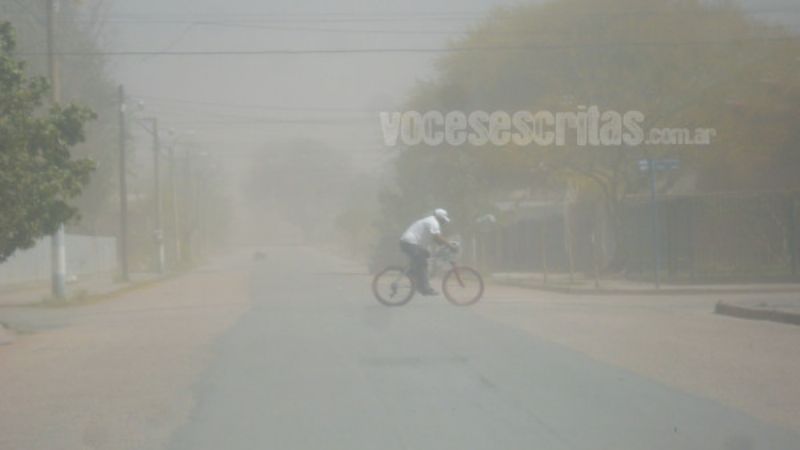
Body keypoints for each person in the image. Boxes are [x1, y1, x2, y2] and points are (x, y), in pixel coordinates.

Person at [399, 209, 456, 296]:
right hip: (409, 242)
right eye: (444, 220)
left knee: (425, 255)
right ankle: (425, 288)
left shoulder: (432, 221)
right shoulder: (433, 222)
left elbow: (437, 240)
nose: (444, 222)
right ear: (440, 218)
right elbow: (438, 237)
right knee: (422, 262)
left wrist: (447, 245)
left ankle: (414, 276)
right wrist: (450, 246)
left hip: (410, 242)